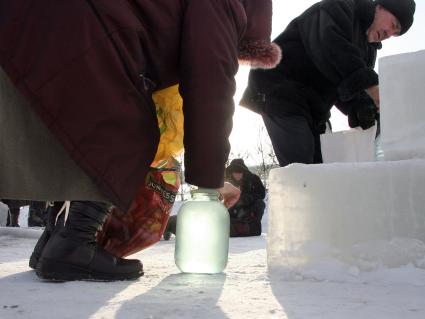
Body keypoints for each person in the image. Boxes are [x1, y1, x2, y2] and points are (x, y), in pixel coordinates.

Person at [0, 0, 281, 281]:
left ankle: (55, 238)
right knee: (128, 124)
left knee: (78, 125)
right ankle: (74, 242)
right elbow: (210, 87)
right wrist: (210, 179)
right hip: (78, 27)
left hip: (24, 20)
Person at [240, 0, 416, 167]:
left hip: (313, 107)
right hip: (279, 89)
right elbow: (330, 46)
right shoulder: (340, 7)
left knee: (323, 168)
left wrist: (361, 107)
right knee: (302, 165)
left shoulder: (368, 50)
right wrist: (371, 85)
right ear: (379, 6)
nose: (389, 34)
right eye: (393, 25)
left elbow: (346, 83)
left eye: (395, 34)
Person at [225, 159, 266, 237]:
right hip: (232, 210)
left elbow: (262, 194)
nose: (237, 175)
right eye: (235, 172)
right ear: (231, 172)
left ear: (243, 172)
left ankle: (253, 226)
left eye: (240, 172)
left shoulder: (253, 179)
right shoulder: (226, 181)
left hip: (248, 209)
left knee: (260, 203)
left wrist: (249, 197)